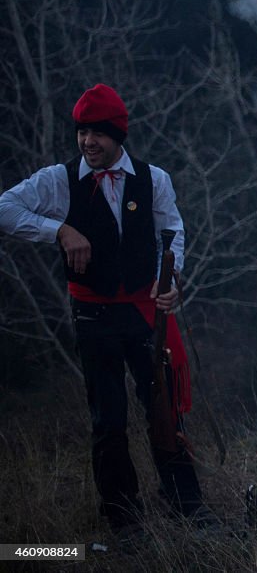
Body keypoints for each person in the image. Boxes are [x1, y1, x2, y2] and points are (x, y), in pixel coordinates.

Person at [0, 84, 211, 536]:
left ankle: (186, 505)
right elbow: (5, 208)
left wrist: (168, 281)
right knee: (108, 417)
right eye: (82, 132)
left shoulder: (153, 179)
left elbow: (171, 233)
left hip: (142, 311)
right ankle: (123, 518)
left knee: (163, 407)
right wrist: (59, 230)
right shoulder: (58, 180)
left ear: (118, 135)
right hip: (93, 315)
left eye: (97, 133)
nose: (87, 142)